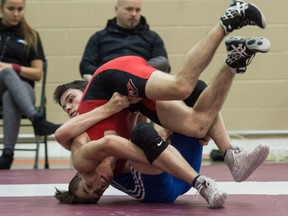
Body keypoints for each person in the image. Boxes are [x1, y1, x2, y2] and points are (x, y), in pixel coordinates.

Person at [53, 0, 270, 206]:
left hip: (111, 83)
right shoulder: (113, 160)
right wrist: (163, 149)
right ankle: (232, 154)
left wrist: (110, 109)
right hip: (132, 104)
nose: (97, 189)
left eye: (71, 99)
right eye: (96, 195)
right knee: (197, 126)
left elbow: (64, 135)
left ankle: (230, 19)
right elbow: (136, 129)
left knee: (182, 86)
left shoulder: (81, 154)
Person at [55, 122, 227, 208]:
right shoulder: (111, 169)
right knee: (141, 131)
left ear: (79, 173)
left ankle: (230, 152)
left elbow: (154, 145)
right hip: (158, 190)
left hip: (176, 175)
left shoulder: (84, 156)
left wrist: (174, 129)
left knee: (194, 102)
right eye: (98, 193)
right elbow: (149, 149)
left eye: (89, 187)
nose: (99, 187)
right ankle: (201, 184)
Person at [0, 0, 60, 169]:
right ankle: (37, 119)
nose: (16, 13)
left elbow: (37, 73)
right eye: (11, 9)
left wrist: (13, 67)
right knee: (5, 73)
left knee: (9, 93)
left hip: (23, 90)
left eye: (20, 9)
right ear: (2, 8)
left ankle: (7, 156)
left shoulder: (30, 35)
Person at [79, 0, 170, 81]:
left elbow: (164, 65)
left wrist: (134, 70)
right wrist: (109, 73)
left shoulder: (152, 37)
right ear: (116, 9)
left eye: (137, 10)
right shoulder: (99, 37)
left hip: (142, 83)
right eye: (129, 9)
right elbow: (85, 66)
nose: (134, 14)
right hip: (109, 83)